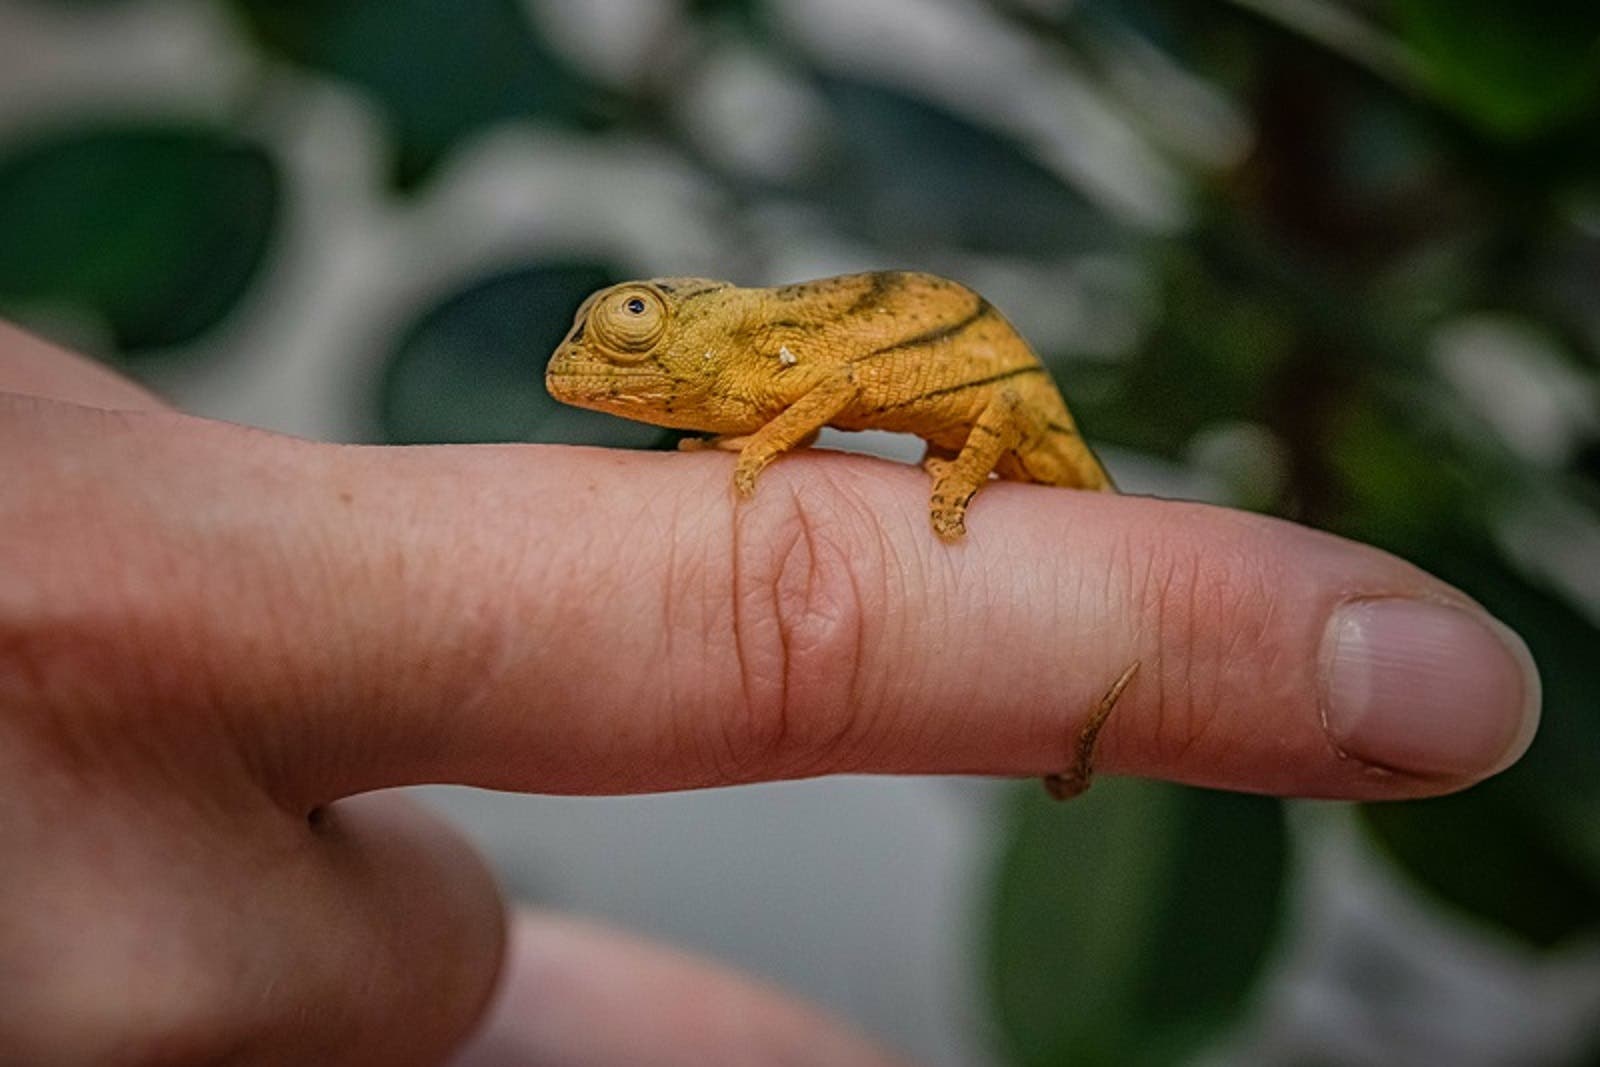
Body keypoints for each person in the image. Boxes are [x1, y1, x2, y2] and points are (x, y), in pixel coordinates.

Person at [0, 319, 1539, 1065]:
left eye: (627, 357)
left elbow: (874, 385)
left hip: (987, 402)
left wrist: (879, 490)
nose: (606, 381)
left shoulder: (765, 356)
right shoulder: (723, 369)